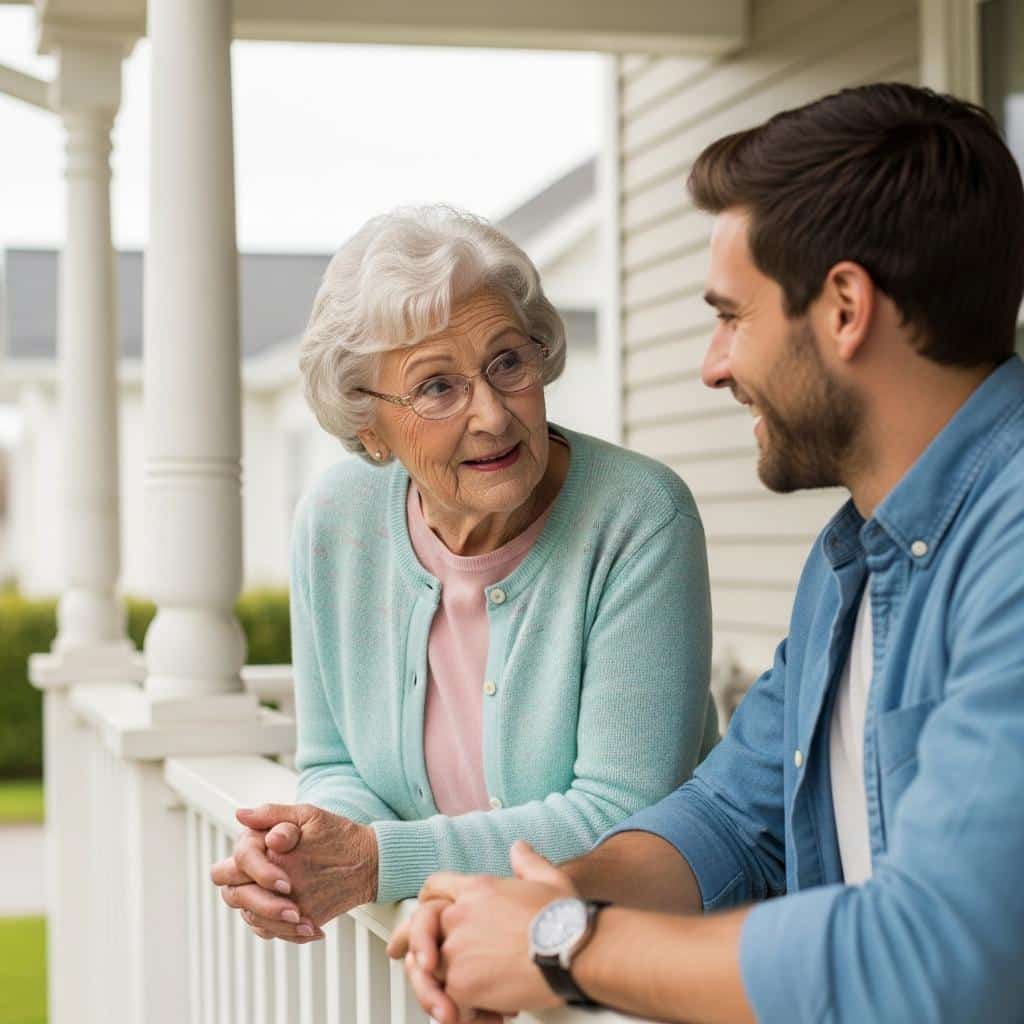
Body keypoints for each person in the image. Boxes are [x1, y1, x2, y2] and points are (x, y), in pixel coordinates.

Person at [391, 83, 1024, 1023]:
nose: (713, 364)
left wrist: (568, 948)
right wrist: (534, 905)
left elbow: (935, 954)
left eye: (732, 316)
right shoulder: (852, 558)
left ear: (845, 308)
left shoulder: (1008, 548)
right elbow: (731, 819)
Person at [209, 206, 718, 943]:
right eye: (438, 387)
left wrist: (379, 863)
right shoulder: (335, 524)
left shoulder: (639, 517)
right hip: (459, 959)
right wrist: (301, 854)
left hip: (623, 965)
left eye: (508, 362)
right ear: (368, 426)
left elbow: (622, 817)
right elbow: (334, 762)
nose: (492, 415)